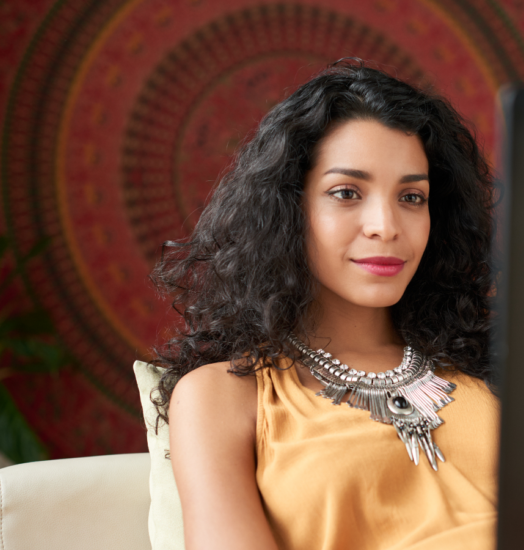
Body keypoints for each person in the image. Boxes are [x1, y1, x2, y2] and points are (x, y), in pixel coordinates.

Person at [150, 59, 500, 550]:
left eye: (412, 197)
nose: (385, 225)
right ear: (289, 210)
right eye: (346, 192)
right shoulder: (223, 396)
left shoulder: (491, 367)